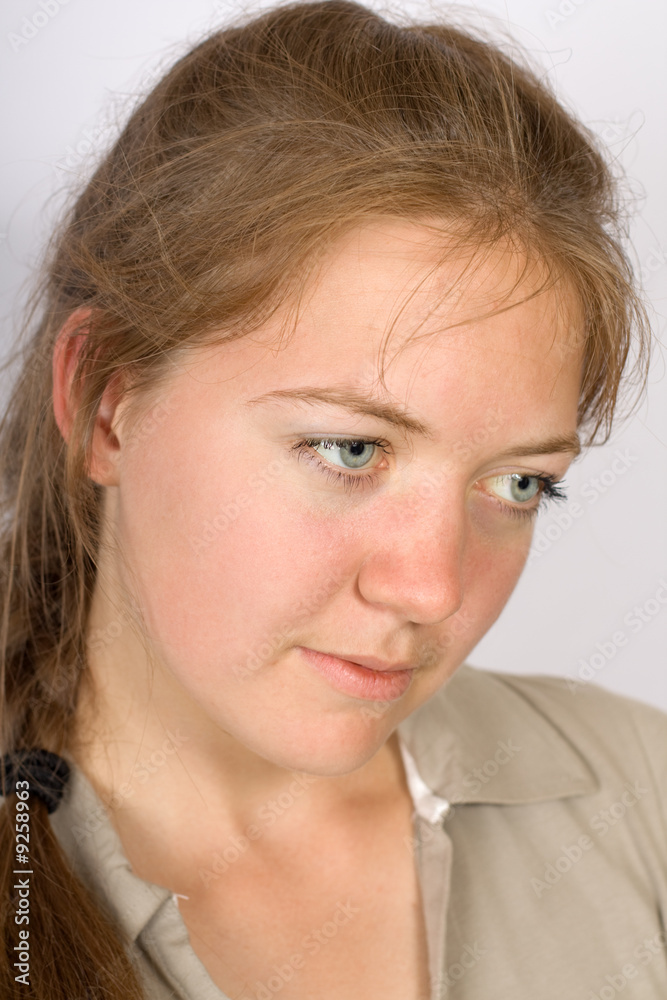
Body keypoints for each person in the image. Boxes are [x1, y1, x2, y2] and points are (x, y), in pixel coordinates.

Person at [0, 1, 665, 998]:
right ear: (106, 404)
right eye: (349, 449)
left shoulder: (642, 792)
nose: (432, 589)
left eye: (518, 483)